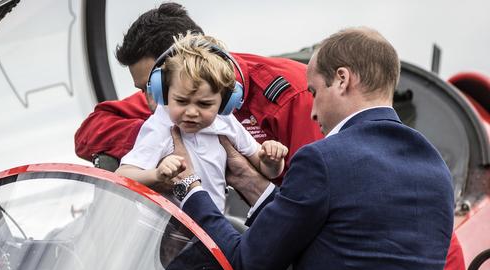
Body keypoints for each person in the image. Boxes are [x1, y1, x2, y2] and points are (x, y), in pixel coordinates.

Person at [174, 27, 459, 270]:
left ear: (341, 79)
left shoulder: (323, 158)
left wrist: (190, 189)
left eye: (313, 91)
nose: (312, 111)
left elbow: (246, 264)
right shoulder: (434, 168)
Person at [74, 2, 323, 184]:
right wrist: (162, 138)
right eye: (150, 90)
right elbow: (89, 133)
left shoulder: (294, 94)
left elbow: (312, 192)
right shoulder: (168, 104)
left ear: (188, 58)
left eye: (153, 86)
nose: (152, 101)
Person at [116, 32, 288, 212]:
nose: (191, 112)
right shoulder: (160, 126)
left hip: (211, 228)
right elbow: (122, 176)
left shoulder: (225, 121)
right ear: (164, 94)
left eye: (204, 104)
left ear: (226, 103)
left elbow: (268, 170)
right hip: (171, 231)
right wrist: (156, 175)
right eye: (181, 101)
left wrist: (273, 160)